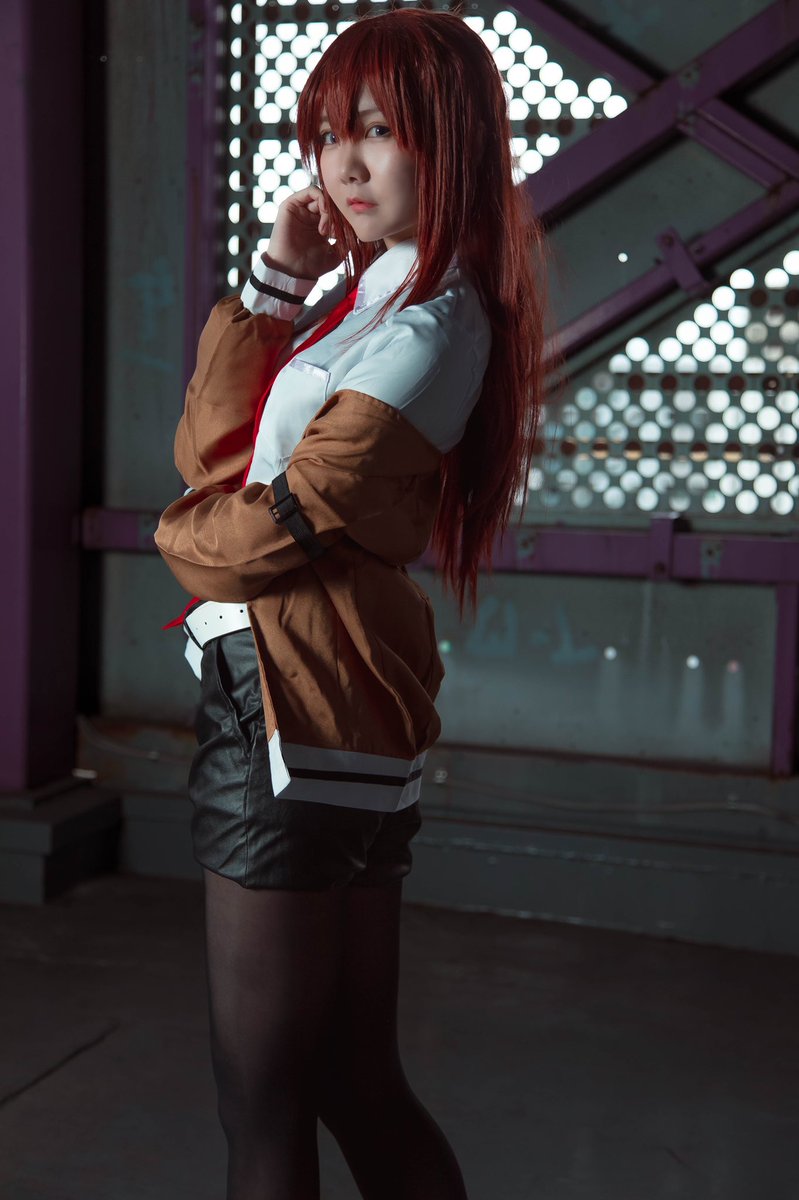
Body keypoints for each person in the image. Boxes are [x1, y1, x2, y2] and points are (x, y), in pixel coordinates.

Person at [154, 8, 551, 1198]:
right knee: (346, 1078)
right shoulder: (371, 296)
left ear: (453, 137)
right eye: (329, 135)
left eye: (378, 130)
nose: (344, 164)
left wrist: (172, 537)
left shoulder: (429, 324)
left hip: (292, 715)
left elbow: (274, 520)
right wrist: (279, 279)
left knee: (262, 1098)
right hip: (320, 709)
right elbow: (213, 449)